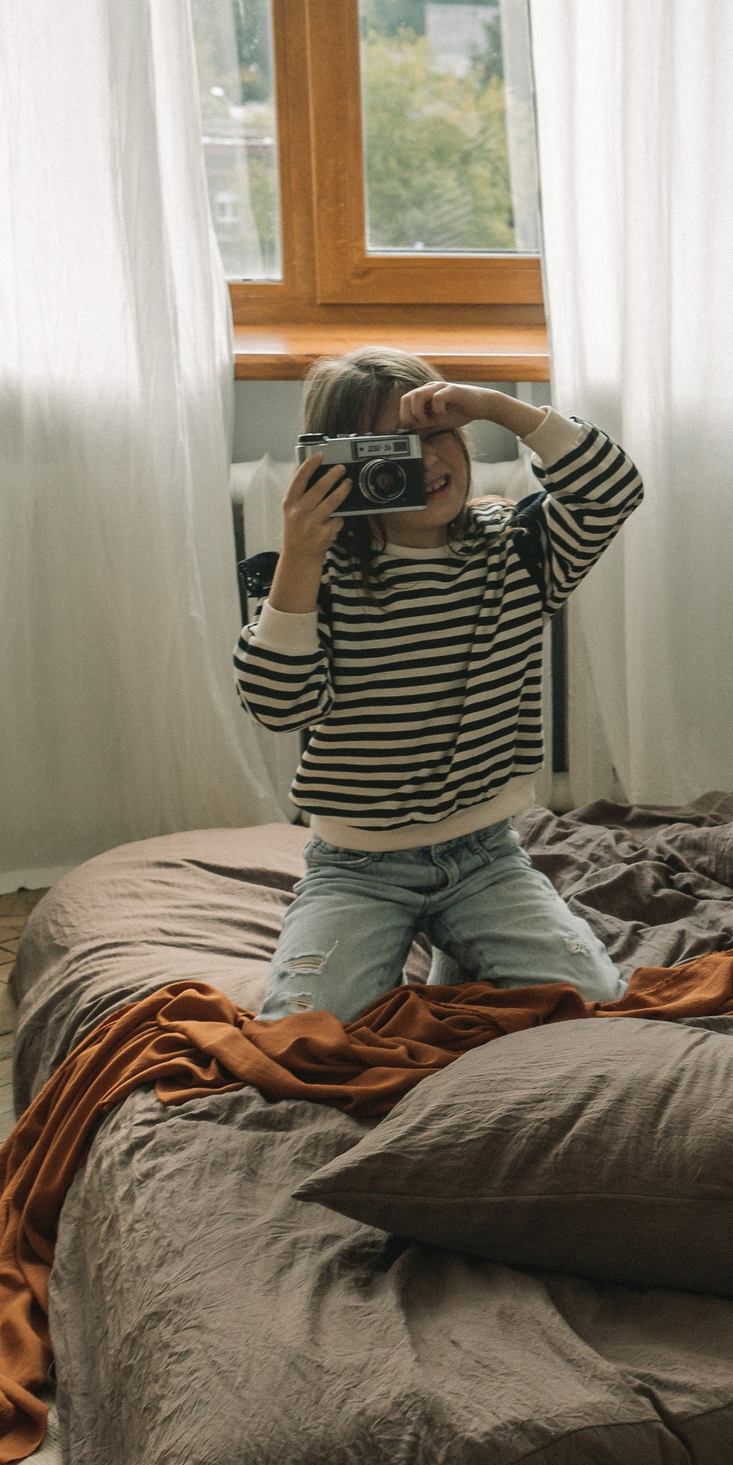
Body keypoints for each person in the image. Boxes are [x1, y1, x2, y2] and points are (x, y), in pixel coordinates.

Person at [232, 347, 643, 1022]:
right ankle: (457, 958)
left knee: (593, 1002)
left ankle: (463, 954)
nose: (423, 461)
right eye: (389, 449)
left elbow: (614, 489)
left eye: (436, 434)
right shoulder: (317, 574)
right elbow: (278, 705)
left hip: (486, 856)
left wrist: (496, 407)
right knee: (304, 1028)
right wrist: (300, 556)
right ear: (335, 465)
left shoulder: (517, 549)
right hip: (356, 867)